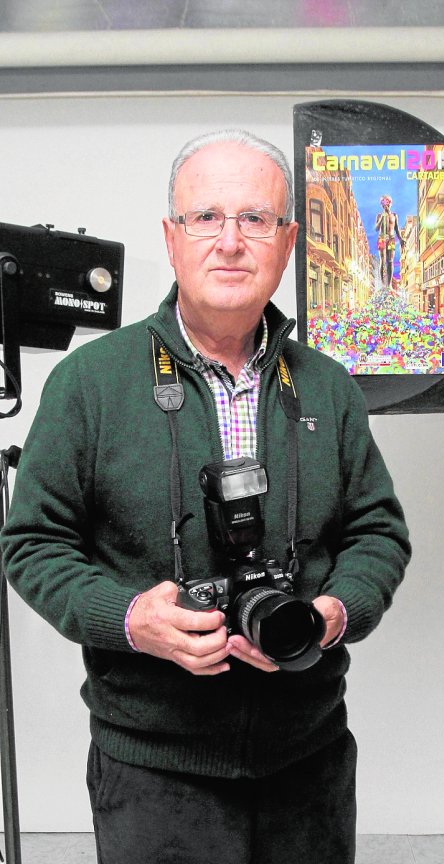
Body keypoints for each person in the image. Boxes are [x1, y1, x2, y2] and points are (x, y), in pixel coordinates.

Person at [0, 130, 411, 864]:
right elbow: (32, 545)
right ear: (171, 236)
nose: (230, 241)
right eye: (206, 217)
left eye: (256, 219)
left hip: (308, 764)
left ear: (287, 243)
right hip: (153, 771)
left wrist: (332, 614)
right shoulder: (91, 385)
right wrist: (130, 618)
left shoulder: (329, 388)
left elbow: (378, 533)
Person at [375, 194, 405, 288]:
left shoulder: (394, 215)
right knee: (383, 260)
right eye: (384, 202)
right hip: (382, 238)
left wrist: (401, 239)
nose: (386, 205)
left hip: (391, 239)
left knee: (390, 261)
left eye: (388, 202)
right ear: (381, 204)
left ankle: (389, 285)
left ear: (390, 203)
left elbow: (397, 229)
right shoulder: (379, 215)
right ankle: (383, 285)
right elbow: (377, 228)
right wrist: (382, 218)